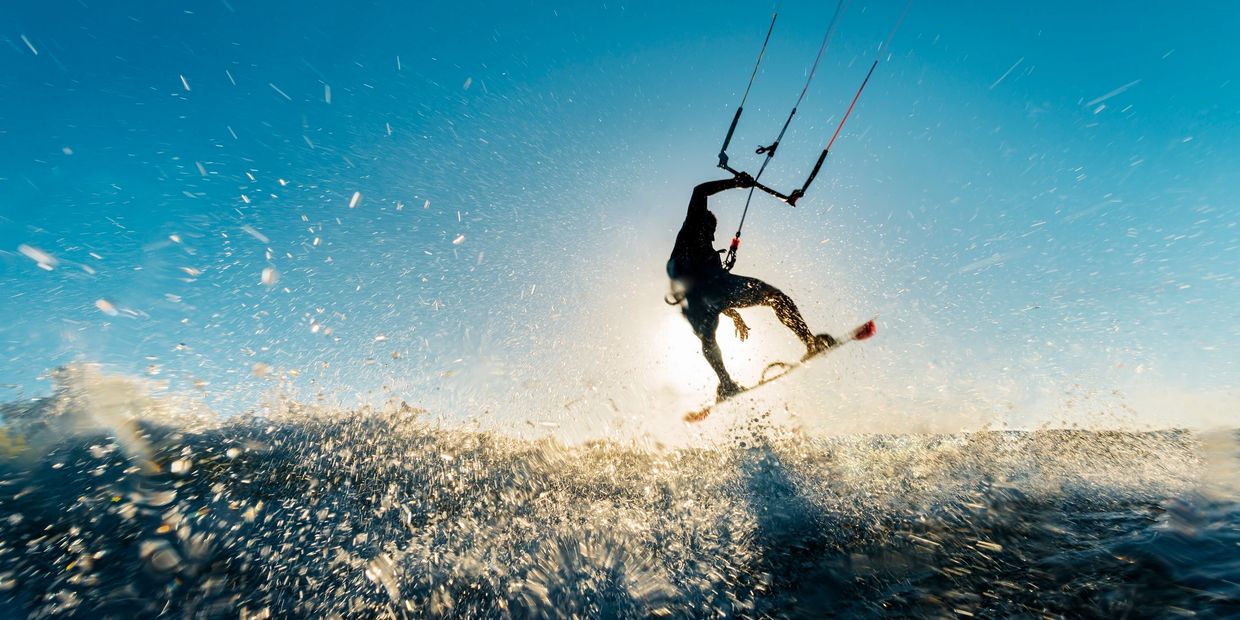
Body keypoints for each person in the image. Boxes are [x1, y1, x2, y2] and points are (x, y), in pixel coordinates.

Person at [667, 172, 836, 401]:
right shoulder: (691, 228)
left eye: (711, 230)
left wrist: (733, 314)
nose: (708, 233)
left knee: (776, 297)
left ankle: (809, 342)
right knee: (707, 337)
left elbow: (717, 295)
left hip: (714, 289)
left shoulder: (712, 256)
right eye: (707, 227)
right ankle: (726, 383)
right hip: (692, 287)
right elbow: (700, 190)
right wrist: (734, 183)